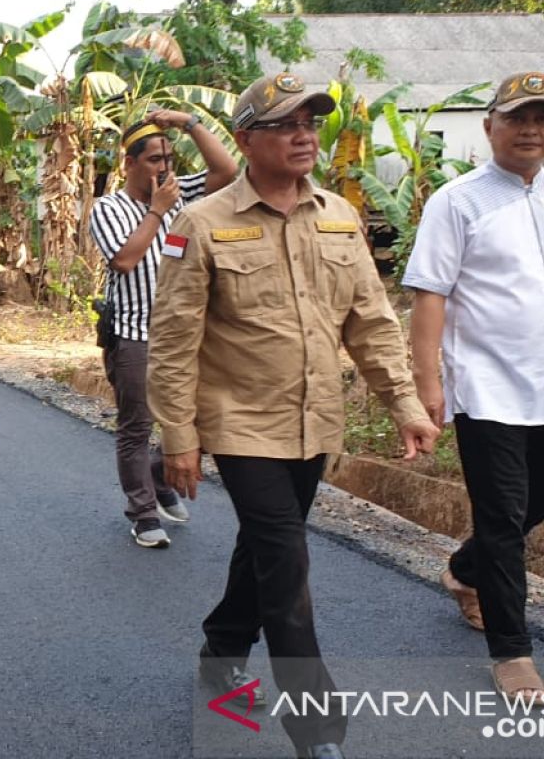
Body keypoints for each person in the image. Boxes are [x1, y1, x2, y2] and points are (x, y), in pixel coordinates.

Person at [147, 73, 439, 759]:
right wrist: (179, 438)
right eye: (286, 124)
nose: (305, 134)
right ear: (246, 140)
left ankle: (222, 646)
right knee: (286, 562)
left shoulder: (338, 215)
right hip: (240, 422)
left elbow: (370, 321)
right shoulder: (204, 223)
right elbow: (173, 341)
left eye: (311, 121)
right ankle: (318, 732)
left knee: (265, 548)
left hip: (315, 422)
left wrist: (402, 401)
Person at [405, 71, 544, 705]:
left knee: (519, 515)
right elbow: (429, 293)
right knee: (504, 519)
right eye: (517, 118)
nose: (531, 130)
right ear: (489, 126)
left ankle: (466, 570)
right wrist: (426, 381)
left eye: (540, 119)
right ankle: (513, 651)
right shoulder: (458, 202)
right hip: (489, 388)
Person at [89, 109, 237, 548]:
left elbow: (227, 170)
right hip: (134, 334)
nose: (165, 168)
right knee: (136, 425)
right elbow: (125, 259)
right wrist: (157, 211)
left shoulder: (181, 193)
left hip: (187, 337)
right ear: (129, 164)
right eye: (154, 159)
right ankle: (143, 511)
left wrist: (187, 122)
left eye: (168, 159)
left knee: (205, 418)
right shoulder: (109, 207)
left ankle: (157, 473)